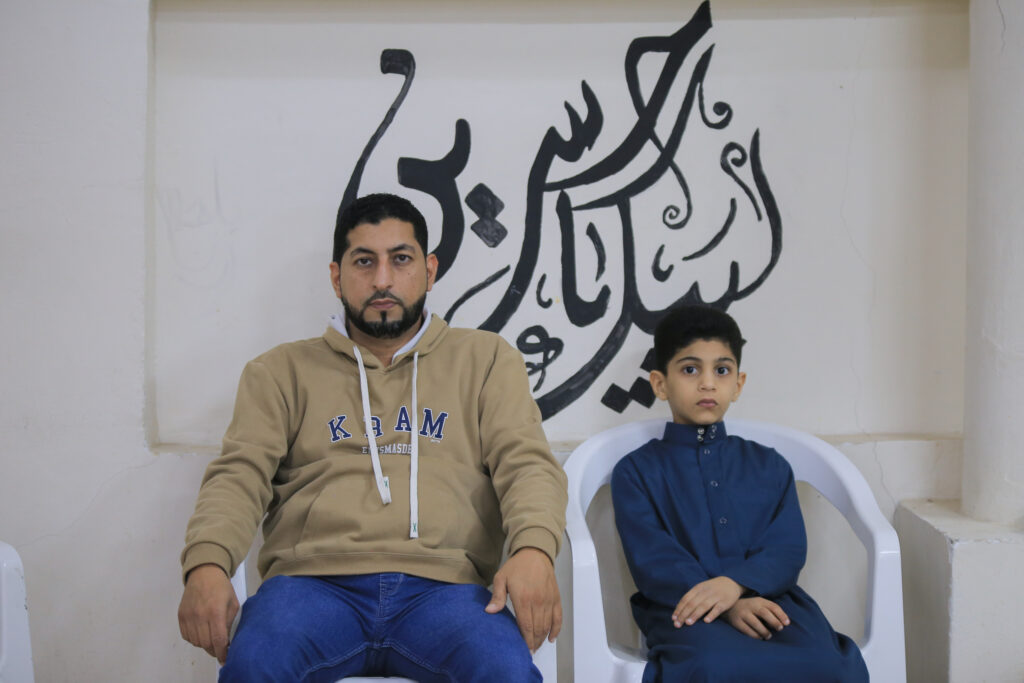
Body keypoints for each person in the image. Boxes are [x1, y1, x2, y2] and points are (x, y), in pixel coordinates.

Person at [177, 192, 568, 682]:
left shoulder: (486, 360)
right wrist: (208, 563)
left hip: (448, 593)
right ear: (336, 276)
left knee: (505, 671)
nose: (383, 279)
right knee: (254, 664)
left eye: (400, 259)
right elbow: (239, 477)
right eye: (364, 262)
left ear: (429, 270)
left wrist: (533, 550)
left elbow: (527, 465)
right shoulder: (280, 371)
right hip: (310, 589)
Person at [610, 305, 868, 682]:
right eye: (690, 369)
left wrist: (736, 586)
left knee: (831, 665)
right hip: (684, 609)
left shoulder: (769, 465)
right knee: (715, 667)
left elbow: (786, 548)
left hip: (772, 603)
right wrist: (725, 603)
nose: (708, 383)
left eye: (722, 370)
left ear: (738, 384)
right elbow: (653, 558)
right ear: (660, 384)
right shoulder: (636, 472)